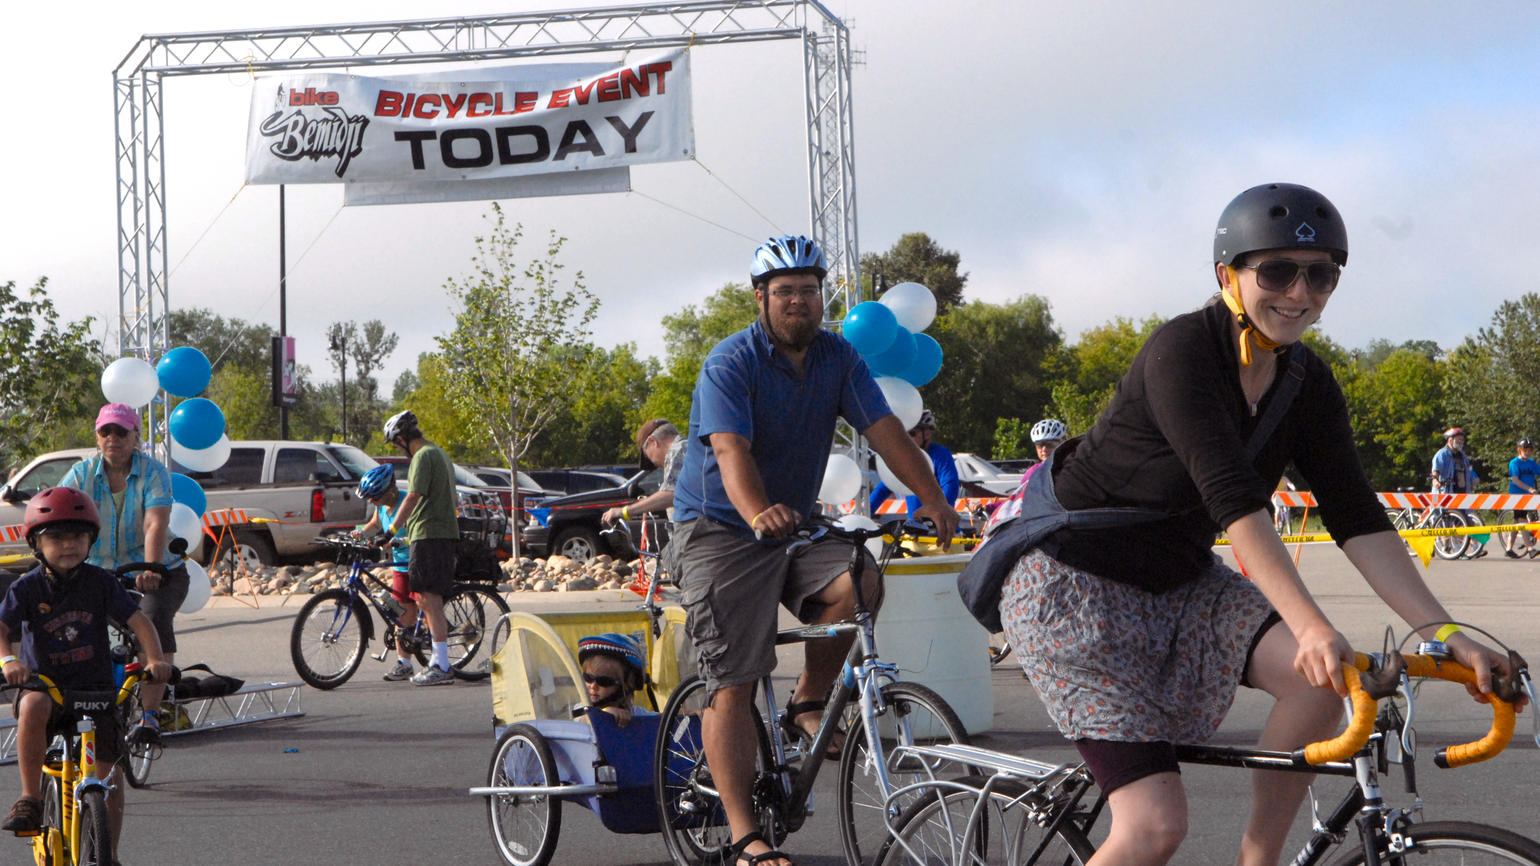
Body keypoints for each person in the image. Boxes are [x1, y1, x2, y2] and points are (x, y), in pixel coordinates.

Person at [994, 183, 1515, 866]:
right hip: (1075, 585)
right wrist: (1309, 625)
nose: (1299, 292)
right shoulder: (1181, 351)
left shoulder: (1307, 382)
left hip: (1180, 581)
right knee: (1152, 828)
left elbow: (1356, 514)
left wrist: (1447, 633)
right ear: (1227, 276)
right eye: (1275, 271)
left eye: (1321, 274)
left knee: (1322, 686)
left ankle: (1258, 861)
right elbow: (1232, 499)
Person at [670, 233, 959, 866]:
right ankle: (747, 836)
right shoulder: (730, 362)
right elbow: (729, 451)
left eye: (809, 290)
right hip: (720, 531)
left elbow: (886, 431)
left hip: (792, 527)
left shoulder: (838, 358)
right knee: (735, 681)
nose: (799, 301)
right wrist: (757, 512)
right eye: (785, 292)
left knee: (861, 582)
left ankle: (807, 700)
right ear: (761, 299)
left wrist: (932, 498)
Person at [0, 487, 171, 857]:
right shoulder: (27, 587)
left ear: (90, 539)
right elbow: (2, 627)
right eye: (56, 537)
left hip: (95, 689)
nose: (68, 545)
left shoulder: (101, 583)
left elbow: (139, 621)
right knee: (32, 707)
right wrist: (8, 661)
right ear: (35, 543)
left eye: (78, 536)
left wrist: (155, 659)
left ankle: (108, 853)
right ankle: (30, 797)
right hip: (46, 686)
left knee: (110, 776)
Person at [61, 403, 189, 742]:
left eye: (121, 432)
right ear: (97, 436)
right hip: (99, 572)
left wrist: (151, 568)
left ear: (136, 437)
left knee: (153, 621)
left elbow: (155, 522)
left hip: (158, 569)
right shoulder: (82, 474)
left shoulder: (152, 471)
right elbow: (60, 513)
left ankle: (149, 717)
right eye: (106, 432)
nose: (113, 438)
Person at [381, 410, 459, 686]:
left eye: (395, 443)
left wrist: (390, 531)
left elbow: (412, 497)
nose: (397, 449)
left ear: (401, 438)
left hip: (429, 533)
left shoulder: (422, 457)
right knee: (426, 599)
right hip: (436, 532)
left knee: (428, 600)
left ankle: (441, 665)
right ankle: (438, 661)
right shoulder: (438, 452)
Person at [351, 464, 420, 680]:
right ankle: (404, 663)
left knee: (425, 610)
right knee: (400, 614)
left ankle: (437, 655)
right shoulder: (382, 506)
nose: (371, 501)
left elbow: (419, 533)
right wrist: (359, 534)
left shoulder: (406, 502)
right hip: (399, 566)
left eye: (374, 497)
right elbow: (374, 524)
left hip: (417, 561)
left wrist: (398, 541)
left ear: (389, 491)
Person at [868, 410, 960, 514]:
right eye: (904, 434)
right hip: (915, 526)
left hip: (941, 525)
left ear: (927, 433)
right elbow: (883, 488)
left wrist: (939, 512)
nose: (907, 438)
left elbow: (950, 485)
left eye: (912, 433)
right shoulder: (904, 457)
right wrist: (865, 513)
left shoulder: (940, 454)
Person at [601, 418, 685, 526]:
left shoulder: (679, 451)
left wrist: (625, 511)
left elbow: (671, 494)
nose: (654, 463)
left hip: (695, 534)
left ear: (653, 442)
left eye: (648, 456)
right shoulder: (688, 450)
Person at [1430, 426, 1487, 558]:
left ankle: (1472, 547)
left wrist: (1474, 479)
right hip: (1446, 492)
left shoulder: (1462, 456)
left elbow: (1469, 470)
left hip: (1461, 493)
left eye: (1462, 440)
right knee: (1446, 521)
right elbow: (1436, 470)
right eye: (1458, 440)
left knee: (1463, 521)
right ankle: (1448, 547)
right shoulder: (1442, 454)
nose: (1461, 442)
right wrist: (1436, 481)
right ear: (1450, 440)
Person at [576, 632, 646, 727]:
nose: (593, 686)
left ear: (626, 685)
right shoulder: (581, 709)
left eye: (604, 681)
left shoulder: (637, 714)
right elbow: (582, 720)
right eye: (588, 678)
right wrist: (604, 713)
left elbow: (660, 722)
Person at [1502, 437, 1540, 559]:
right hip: (1517, 495)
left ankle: (1508, 548)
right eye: (1525, 449)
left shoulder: (1532, 463)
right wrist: (1530, 489)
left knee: (1517, 521)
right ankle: (1530, 548)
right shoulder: (1514, 463)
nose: (1527, 452)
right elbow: (1516, 480)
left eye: (1530, 450)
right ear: (1519, 449)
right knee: (1522, 519)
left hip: (1528, 497)